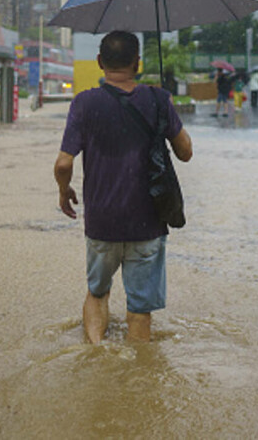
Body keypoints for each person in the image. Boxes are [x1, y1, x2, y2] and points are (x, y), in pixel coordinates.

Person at [54, 31, 193, 344]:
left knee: (97, 293)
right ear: (138, 63)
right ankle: (136, 373)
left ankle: (95, 355)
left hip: (102, 220)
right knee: (140, 309)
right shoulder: (158, 100)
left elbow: (63, 164)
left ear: (100, 62)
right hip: (148, 220)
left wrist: (64, 192)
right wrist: (164, 112)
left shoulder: (84, 103)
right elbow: (185, 153)